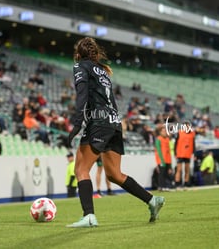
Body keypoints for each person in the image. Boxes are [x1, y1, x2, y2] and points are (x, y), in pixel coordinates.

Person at [67, 37, 164, 228]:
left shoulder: (81, 67)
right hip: (114, 122)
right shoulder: (103, 71)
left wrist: (78, 123)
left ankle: (89, 216)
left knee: (81, 169)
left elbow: (82, 95)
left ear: (78, 54)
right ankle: (152, 200)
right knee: (113, 174)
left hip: (99, 122)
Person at [154, 126, 173, 191]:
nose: (165, 132)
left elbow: (169, 151)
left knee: (166, 174)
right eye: (163, 131)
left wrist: (170, 162)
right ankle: (161, 186)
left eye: (165, 131)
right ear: (160, 132)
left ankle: (165, 186)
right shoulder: (158, 139)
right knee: (161, 174)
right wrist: (161, 160)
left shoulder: (167, 139)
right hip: (161, 160)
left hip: (167, 159)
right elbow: (158, 151)